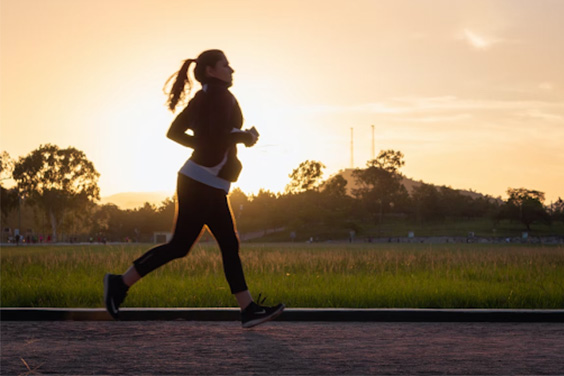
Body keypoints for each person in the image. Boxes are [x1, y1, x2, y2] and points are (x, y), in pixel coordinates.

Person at [104, 49, 284, 328]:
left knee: (211, 244)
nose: (231, 70)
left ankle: (247, 309)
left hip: (204, 181)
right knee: (192, 245)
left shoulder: (205, 97)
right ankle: (119, 283)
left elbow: (177, 133)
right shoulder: (217, 97)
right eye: (226, 65)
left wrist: (208, 145)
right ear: (211, 70)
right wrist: (245, 136)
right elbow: (215, 136)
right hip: (200, 182)